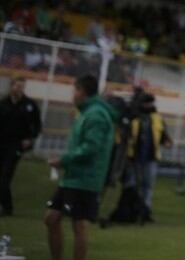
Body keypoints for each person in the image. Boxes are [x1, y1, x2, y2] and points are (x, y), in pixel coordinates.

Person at [44, 75, 117, 260]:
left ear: (82, 91)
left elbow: (91, 147)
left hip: (86, 179)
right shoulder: (87, 111)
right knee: (52, 218)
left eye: (75, 90)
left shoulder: (96, 114)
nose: (72, 94)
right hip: (73, 177)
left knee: (80, 225)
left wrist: (64, 160)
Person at [0, 76, 42, 215]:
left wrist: (30, 138)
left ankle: (7, 208)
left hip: (16, 146)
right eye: (17, 86)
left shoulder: (30, 105)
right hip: (2, 143)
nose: (20, 89)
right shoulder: (3, 103)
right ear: (11, 86)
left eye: (22, 87)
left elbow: (37, 125)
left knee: (5, 177)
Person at [126, 94, 172, 221]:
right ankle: (132, 209)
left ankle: (145, 211)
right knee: (133, 184)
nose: (150, 105)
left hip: (150, 158)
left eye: (151, 103)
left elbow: (163, 135)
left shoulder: (157, 119)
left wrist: (167, 141)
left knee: (147, 185)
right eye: (147, 103)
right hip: (133, 157)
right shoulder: (134, 118)